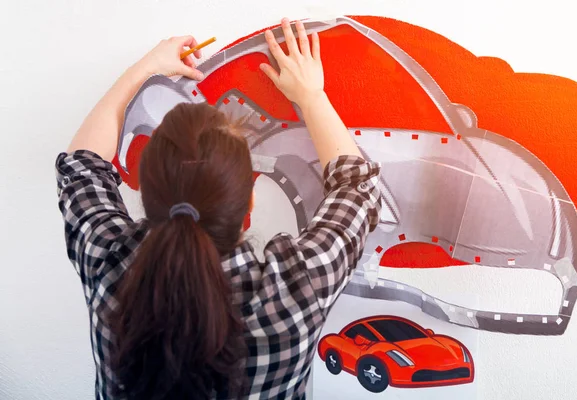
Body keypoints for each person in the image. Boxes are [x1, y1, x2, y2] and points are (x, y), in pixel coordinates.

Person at [56, 17, 381, 399]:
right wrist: (311, 96)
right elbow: (358, 188)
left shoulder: (109, 264)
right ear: (250, 203)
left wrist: (143, 70)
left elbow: (81, 166)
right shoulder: (295, 287)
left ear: (145, 194)